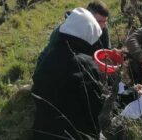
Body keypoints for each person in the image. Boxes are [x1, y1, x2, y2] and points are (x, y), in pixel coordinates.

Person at [32, 8, 104, 139]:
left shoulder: (49, 54)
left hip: (42, 130)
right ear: (87, 35)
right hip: (72, 133)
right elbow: (95, 109)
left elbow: (37, 88)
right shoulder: (85, 65)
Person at [35, 0, 110, 69]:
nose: (103, 26)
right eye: (99, 21)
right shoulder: (64, 32)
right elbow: (59, 59)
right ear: (87, 18)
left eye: (105, 21)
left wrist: (111, 54)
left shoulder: (102, 28)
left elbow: (105, 52)